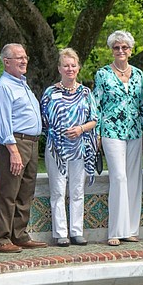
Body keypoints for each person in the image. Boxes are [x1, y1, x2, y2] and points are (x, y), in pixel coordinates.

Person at [0, 43, 47, 253]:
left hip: (31, 143)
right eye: (18, 58)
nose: (24, 61)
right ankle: (1, 240)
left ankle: (19, 235)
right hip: (14, 144)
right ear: (6, 62)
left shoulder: (22, 84)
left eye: (25, 57)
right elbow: (3, 122)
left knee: (25, 192)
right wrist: (13, 151)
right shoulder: (4, 87)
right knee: (9, 192)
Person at [94, 31, 143, 246]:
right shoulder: (103, 74)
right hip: (111, 131)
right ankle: (115, 231)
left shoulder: (137, 74)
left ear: (131, 50)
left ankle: (131, 229)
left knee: (134, 179)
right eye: (116, 47)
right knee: (119, 178)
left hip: (134, 131)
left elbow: (142, 104)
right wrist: (96, 132)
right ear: (112, 50)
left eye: (124, 47)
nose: (120, 51)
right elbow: (96, 105)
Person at [40, 48, 99, 247]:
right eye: (66, 65)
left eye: (73, 65)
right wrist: (58, 132)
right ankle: (61, 233)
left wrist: (81, 129)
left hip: (80, 148)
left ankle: (76, 231)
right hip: (56, 148)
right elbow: (43, 120)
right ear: (59, 68)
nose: (70, 69)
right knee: (57, 190)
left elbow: (94, 120)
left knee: (77, 191)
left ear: (78, 68)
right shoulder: (50, 92)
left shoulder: (85, 92)